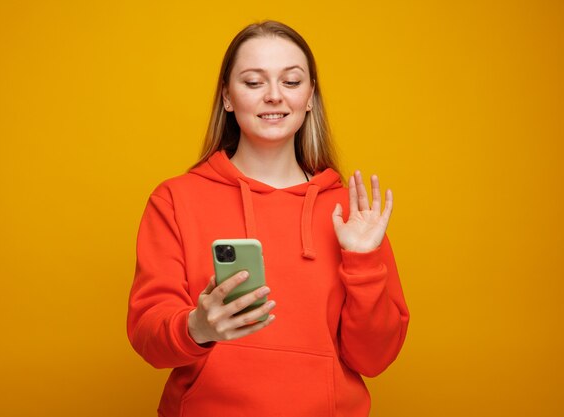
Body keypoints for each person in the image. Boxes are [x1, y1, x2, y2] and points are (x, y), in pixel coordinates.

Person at [127, 20, 410, 417]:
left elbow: (374, 359)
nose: (274, 97)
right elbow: (147, 335)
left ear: (311, 96)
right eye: (254, 82)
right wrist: (198, 327)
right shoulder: (175, 199)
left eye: (291, 82)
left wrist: (363, 262)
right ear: (227, 96)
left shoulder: (350, 212)